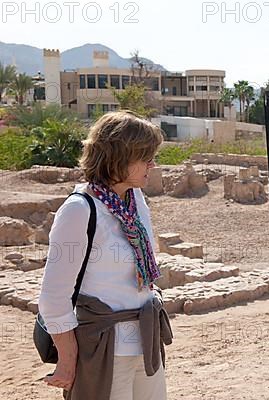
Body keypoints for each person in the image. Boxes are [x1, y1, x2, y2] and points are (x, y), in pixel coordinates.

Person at [38, 111, 172, 400]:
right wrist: (67, 358)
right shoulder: (79, 210)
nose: (153, 163)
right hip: (104, 350)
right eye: (145, 156)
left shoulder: (134, 200)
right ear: (119, 157)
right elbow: (53, 297)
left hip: (145, 344)